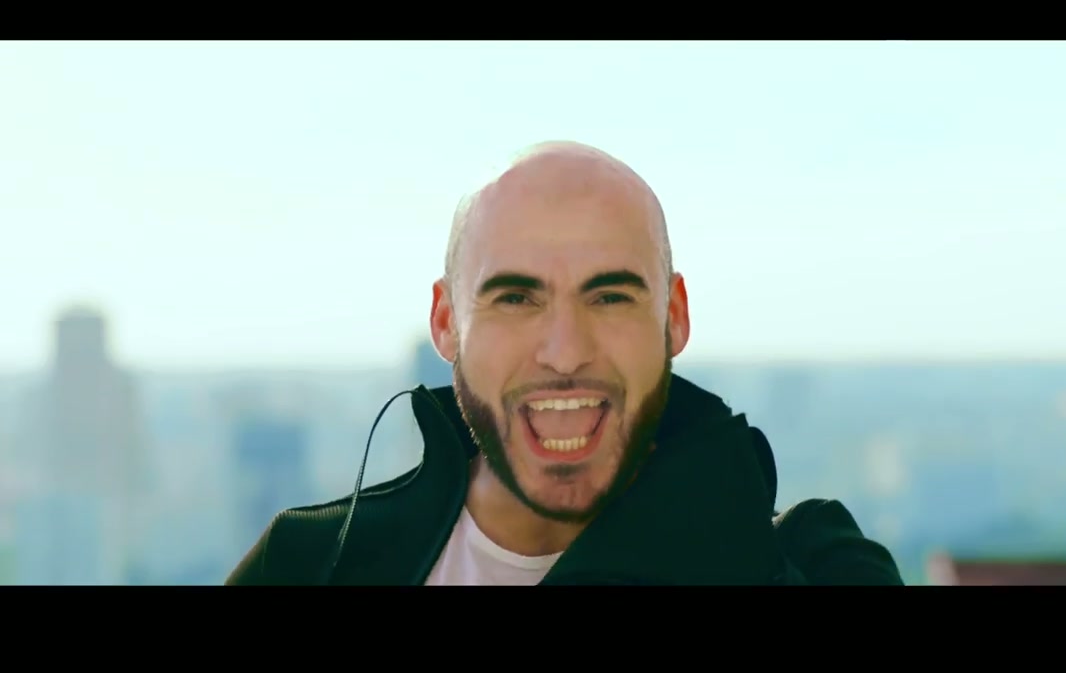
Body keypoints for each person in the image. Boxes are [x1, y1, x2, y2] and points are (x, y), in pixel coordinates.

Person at [225, 141, 903, 585]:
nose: (565, 351)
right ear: (445, 322)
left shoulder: (810, 566)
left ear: (674, 316)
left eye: (609, 297)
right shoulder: (308, 564)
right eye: (515, 298)